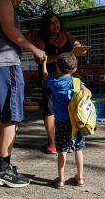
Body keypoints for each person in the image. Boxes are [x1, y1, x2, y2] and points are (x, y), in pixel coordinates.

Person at [0, 0, 46, 188]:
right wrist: (35, 50)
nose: (20, 1)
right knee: (11, 116)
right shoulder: (5, 1)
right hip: (5, 64)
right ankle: (3, 169)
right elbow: (10, 30)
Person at [42, 52, 91, 189]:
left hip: (61, 123)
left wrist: (44, 63)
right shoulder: (76, 82)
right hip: (77, 122)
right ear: (74, 69)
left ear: (57, 67)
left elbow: (45, 77)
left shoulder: (55, 83)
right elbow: (89, 94)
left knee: (62, 151)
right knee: (79, 150)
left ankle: (61, 180)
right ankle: (80, 178)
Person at [36, 11, 81, 154]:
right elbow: (38, 59)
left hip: (66, 79)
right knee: (49, 109)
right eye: (51, 23)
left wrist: (78, 47)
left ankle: (69, 141)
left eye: (57, 22)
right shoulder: (41, 39)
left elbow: (76, 45)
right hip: (49, 78)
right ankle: (52, 143)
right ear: (46, 26)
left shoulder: (66, 35)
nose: (56, 25)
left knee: (69, 106)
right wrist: (59, 57)